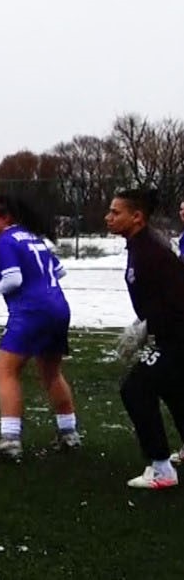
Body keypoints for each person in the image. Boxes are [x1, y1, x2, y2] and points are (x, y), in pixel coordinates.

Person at [0, 194, 79, 459]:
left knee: (5, 369)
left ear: (5, 217)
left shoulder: (4, 242)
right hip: (58, 307)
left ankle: (10, 440)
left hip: (32, 312)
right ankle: (69, 434)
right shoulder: (33, 237)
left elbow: (13, 279)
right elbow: (60, 271)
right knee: (51, 373)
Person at [105, 189, 184, 489]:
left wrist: (147, 330)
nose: (108, 217)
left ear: (136, 217)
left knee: (135, 388)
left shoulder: (151, 250)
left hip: (177, 336)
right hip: (171, 334)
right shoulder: (141, 245)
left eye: (115, 212)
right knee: (174, 389)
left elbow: (177, 299)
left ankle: (162, 469)